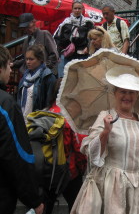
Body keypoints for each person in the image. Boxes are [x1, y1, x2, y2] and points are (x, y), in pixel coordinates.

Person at [79, 66, 139, 213]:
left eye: (131, 92)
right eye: (123, 91)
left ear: (137, 95)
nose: (127, 96)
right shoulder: (105, 116)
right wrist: (106, 131)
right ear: (114, 93)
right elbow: (90, 151)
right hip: (111, 185)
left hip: (137, 186)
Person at [0, 45, 44, 214]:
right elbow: (17, 156)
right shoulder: (5, 104)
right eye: (8, 65)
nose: (11, 69)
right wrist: (33, 198)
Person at [45, 79, 87, 213]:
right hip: (69, 171)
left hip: (47, 170)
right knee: (75, 207)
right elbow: (80, 147)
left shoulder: (46, 112)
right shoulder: (70, 117)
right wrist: (82, 168)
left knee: (47, 206)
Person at [54, 0, 94, 78]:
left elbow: (92, 38)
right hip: (67, 55)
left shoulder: (88, 23)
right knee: (66, 77)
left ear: (82, 9)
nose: (77, 10)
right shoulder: (65, 23)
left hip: (82, 54)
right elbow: (58, 38)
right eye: (75, 8)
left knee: (81, 77)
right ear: (72, 9)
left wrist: (88, 47)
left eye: (79, 8)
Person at [17, 44, 56, 122]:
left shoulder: (47, 77)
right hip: (22, 120)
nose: (28, 62)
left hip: (36, 122)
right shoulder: (25, 76)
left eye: (31, 59)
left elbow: (48, 104)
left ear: (40, 59)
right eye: (26, 59)